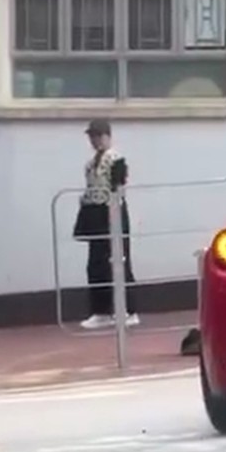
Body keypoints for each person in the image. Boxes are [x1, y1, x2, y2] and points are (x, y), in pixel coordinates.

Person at [73, 119, 139, 330]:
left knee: (119, 258)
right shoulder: (90, 164)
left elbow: (119, 187)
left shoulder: (116, 159)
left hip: (113, 210)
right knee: (96, 262)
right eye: (93, 136)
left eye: (100, 136)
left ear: (108, 136)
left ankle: (129, 309)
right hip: (95, 211)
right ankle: (100, 309)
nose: (96, 140)